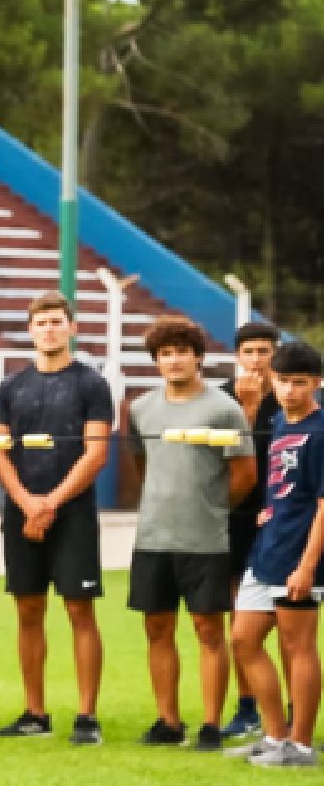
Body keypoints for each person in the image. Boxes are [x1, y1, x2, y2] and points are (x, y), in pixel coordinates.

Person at [0, 291, 114, 745]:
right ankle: (34, 713)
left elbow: (95, 453)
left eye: (58, 321)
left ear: (72, 327)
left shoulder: (92, 385)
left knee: (79, 610)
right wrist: (26, 502)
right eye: (42, 323)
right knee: (28, 609)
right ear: (30, 330)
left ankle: (86, 716)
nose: (50, 329)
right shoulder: (11, 388)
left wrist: (51, 502)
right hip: (22, 512)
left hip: (72, 513)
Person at [127, 316, 257, 752]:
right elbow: (142, 466)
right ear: (156, 361)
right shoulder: (141, 408)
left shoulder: (224, 408)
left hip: (205, 539)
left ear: (198, 356)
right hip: (153, 538)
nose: (174, 360)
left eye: (182, 352)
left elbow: (244, 473)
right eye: (165, 354)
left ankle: (210, 725)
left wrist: (215, 509)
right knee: (157, 629)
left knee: (208, 630)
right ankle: (168, 721)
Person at [228, 340, 324, 769]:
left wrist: (307, 565)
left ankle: (300, 746)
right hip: (268, 547)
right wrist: (270, 508)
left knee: (297, 643)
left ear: (317, 384)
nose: (290, 391)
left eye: (300, 383)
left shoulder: (321, 432)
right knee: (243, 640)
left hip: (300, 553)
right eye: (283, 381)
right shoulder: (280, 424)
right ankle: (274, 736)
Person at [223, 320, 282, 737]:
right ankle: (247, 707)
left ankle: (293, 706)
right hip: (236, 518)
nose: (258, 360)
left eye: (265, 351)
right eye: (250, 352)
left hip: (286, 522)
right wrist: (245, 408)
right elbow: (227, 457)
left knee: (290, 618)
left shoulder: (295, 398)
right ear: (237, 356)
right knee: (239, 615)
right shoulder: (224, 398)